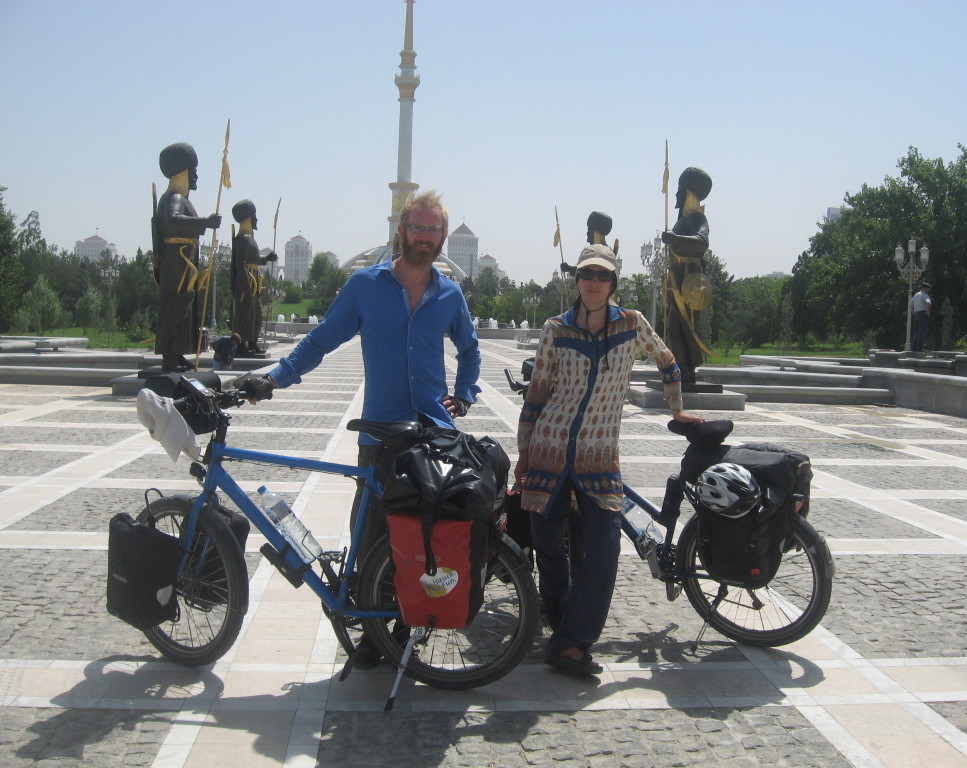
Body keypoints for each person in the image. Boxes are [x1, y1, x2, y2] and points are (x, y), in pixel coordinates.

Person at [244, 189, 481, 668]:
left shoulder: (450, 293)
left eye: (434, 230)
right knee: (373, 534)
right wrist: (273, 378)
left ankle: (406, 623)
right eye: (418, 227)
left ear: (441, 238)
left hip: (432, 434)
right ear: (402, 230)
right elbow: (320, 340)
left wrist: (467, 392)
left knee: (427, 535)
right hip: (381, 436)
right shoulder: (365, 286)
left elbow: (470, 348)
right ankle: (374, 631)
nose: (425, 237)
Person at [514, 244, 703, 676]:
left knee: (604, 550)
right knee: (549, 548)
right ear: (577, 281)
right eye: (586, 275)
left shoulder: (631, 324)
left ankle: (573, 642)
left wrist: (677, 411)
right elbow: (537, 394)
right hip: (549, 449)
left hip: (599, 458)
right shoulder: (555, 329)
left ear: (613, 282)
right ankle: (563, 627)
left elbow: (668, 363)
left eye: (602, 275)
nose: (593, 282)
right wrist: (524, 453)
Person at [152, 143, 222, 371]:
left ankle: (178, 353)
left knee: (186, 307)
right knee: (176, 306)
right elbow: (172, 222)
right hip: (177, 261)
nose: (196, 176)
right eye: (194, 171)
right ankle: (169, 356)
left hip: (184, 261)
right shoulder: (173, 198)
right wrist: (205, 222)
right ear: (183, 171)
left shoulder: (183, 199)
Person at [662, 167, 714, 384]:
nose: (675, 195)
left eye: (679, 190)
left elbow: (702, 243)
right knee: (673, 330)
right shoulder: (680, 220)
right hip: (676, 277)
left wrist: (675, 240)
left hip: (690, 280)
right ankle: (682, 370)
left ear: (688, 193)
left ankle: (685, 370)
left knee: (683, 328)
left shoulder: (697, 218)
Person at [230, 200, 277, 354]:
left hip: (254, 282)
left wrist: (267, 259)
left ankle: (252, 342)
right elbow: (240, 264)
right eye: (254, 216)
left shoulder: (250, 238)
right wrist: (245, 287)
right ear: (248, 217)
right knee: (244, 315)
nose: (256, 219)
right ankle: (241, 345)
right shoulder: (243, 239)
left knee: (256, 316)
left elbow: (253, 261)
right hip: (247, 283)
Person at [911, 282, 932, 352]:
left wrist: (914, 313)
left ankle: (913, 347)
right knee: (922, 331)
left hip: (917, 314)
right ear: (924, 288)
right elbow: (928, 303)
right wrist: (928, 312)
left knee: (917, 331)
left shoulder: (916, 295)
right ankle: (919, 347)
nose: (928, 290)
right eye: (927, 289)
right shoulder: (924, 295)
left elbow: (910, 305)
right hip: (923, 313)